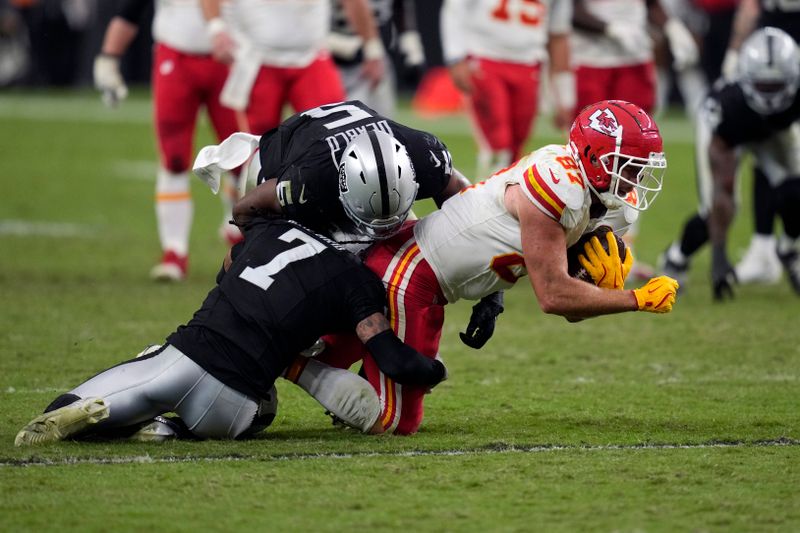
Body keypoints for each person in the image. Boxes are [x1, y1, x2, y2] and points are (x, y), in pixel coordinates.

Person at [290, 100, 679, 435]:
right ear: (595, 158)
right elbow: (553, 296)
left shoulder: (597, 198)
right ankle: (291, 366)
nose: (637, 178)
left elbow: (568, 307)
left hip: (427, 280)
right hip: (411, 273)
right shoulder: (559, 184)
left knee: (338, 353)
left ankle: (299, 362)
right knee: (393, 422)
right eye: (629, 166)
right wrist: (633, 299)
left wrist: (590, 287)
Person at [14, 216, 447, 446]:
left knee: (124, 378)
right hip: (234, 408)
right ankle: (165, 430)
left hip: (183, 357)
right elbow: (392, 360)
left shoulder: (266, 232)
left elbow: (228, 277)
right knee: (268, 402)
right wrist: (435, 370)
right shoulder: (357, 281)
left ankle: (110, 413)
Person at [193, 100, 501, 349]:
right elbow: (246, 210)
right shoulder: (306, 182)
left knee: (398, 270)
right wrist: (265, 255)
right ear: (344, 188)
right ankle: (226, 320)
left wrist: (493, 291)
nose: (382, 231)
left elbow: (472, 218)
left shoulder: (423, 155)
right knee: (299, 273)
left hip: (344, 159)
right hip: (281, 161)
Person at [93, 0, 244, 282]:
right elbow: (131, 10)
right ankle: (174, 251)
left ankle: (236, 224)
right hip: (176, 56)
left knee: (239, 154)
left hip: (231, 59)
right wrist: (109, 58)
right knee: (173, 158)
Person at [659, 27, 800, 299]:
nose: (770, 95)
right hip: (726, 132)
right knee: (716, 210)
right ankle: (676, 258)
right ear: (747, 79)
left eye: (776, 86)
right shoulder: (730, 106)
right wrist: (719, 258)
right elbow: (722, 189)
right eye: (763, 86)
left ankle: (788, 249)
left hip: (774, 132)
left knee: (796, 189)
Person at [199, 0, 384, 136]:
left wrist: (373, 49)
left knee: (334, 131)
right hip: (258, 58)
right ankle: (244, 187)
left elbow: (354, 3)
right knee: (257, 145)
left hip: (311, 55)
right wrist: (217, 30)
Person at [440, 0, 575, 178]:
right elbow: (455, 7)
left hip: (529, 62)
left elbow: (558, 35)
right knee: (498, 141)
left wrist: (564, 97)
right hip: (485, 55)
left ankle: (504, 197)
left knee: (516, 145)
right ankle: (485, 200)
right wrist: (455, 56)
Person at [716, 0, 800, 285]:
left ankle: (785, 247)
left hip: (784, 48)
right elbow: (750, 6)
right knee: (763, 141)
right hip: (770, 47)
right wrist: (734, 52)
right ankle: (764, 249)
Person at [328, 0, 425, 118]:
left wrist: (413, 53)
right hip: (335, 63)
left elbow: (400, 9)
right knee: (340, 125)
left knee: (383, 124)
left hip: (378, 59)